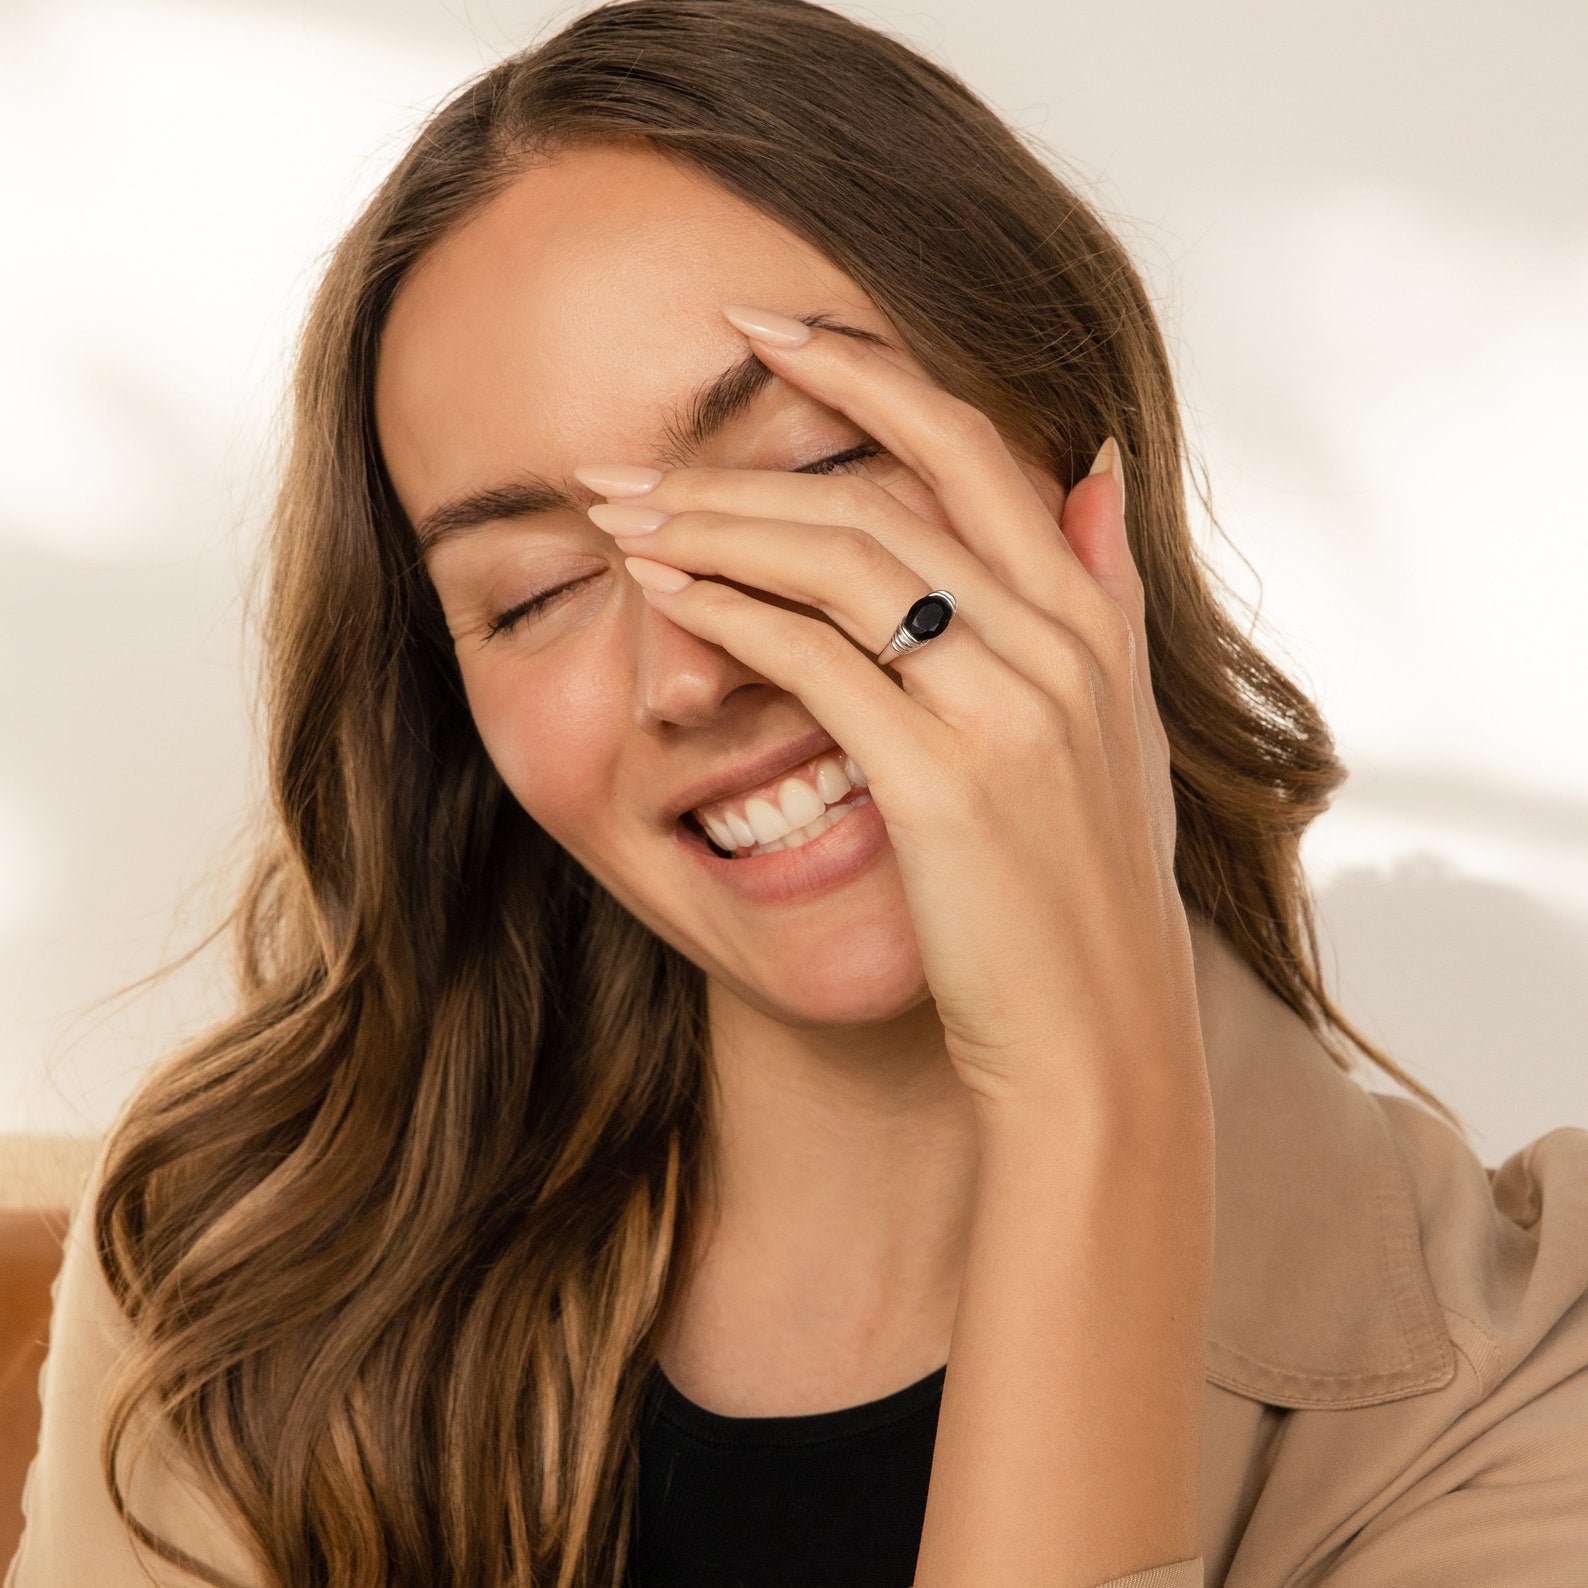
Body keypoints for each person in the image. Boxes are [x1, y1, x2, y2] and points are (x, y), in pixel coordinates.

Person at [9, 2, 1588, 1585]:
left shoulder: (1539, 1378)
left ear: (1082, 464)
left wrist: (1086, 1106)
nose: (691, 672)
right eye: (536, 592)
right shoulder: (239, 1262)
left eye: (815, 472)